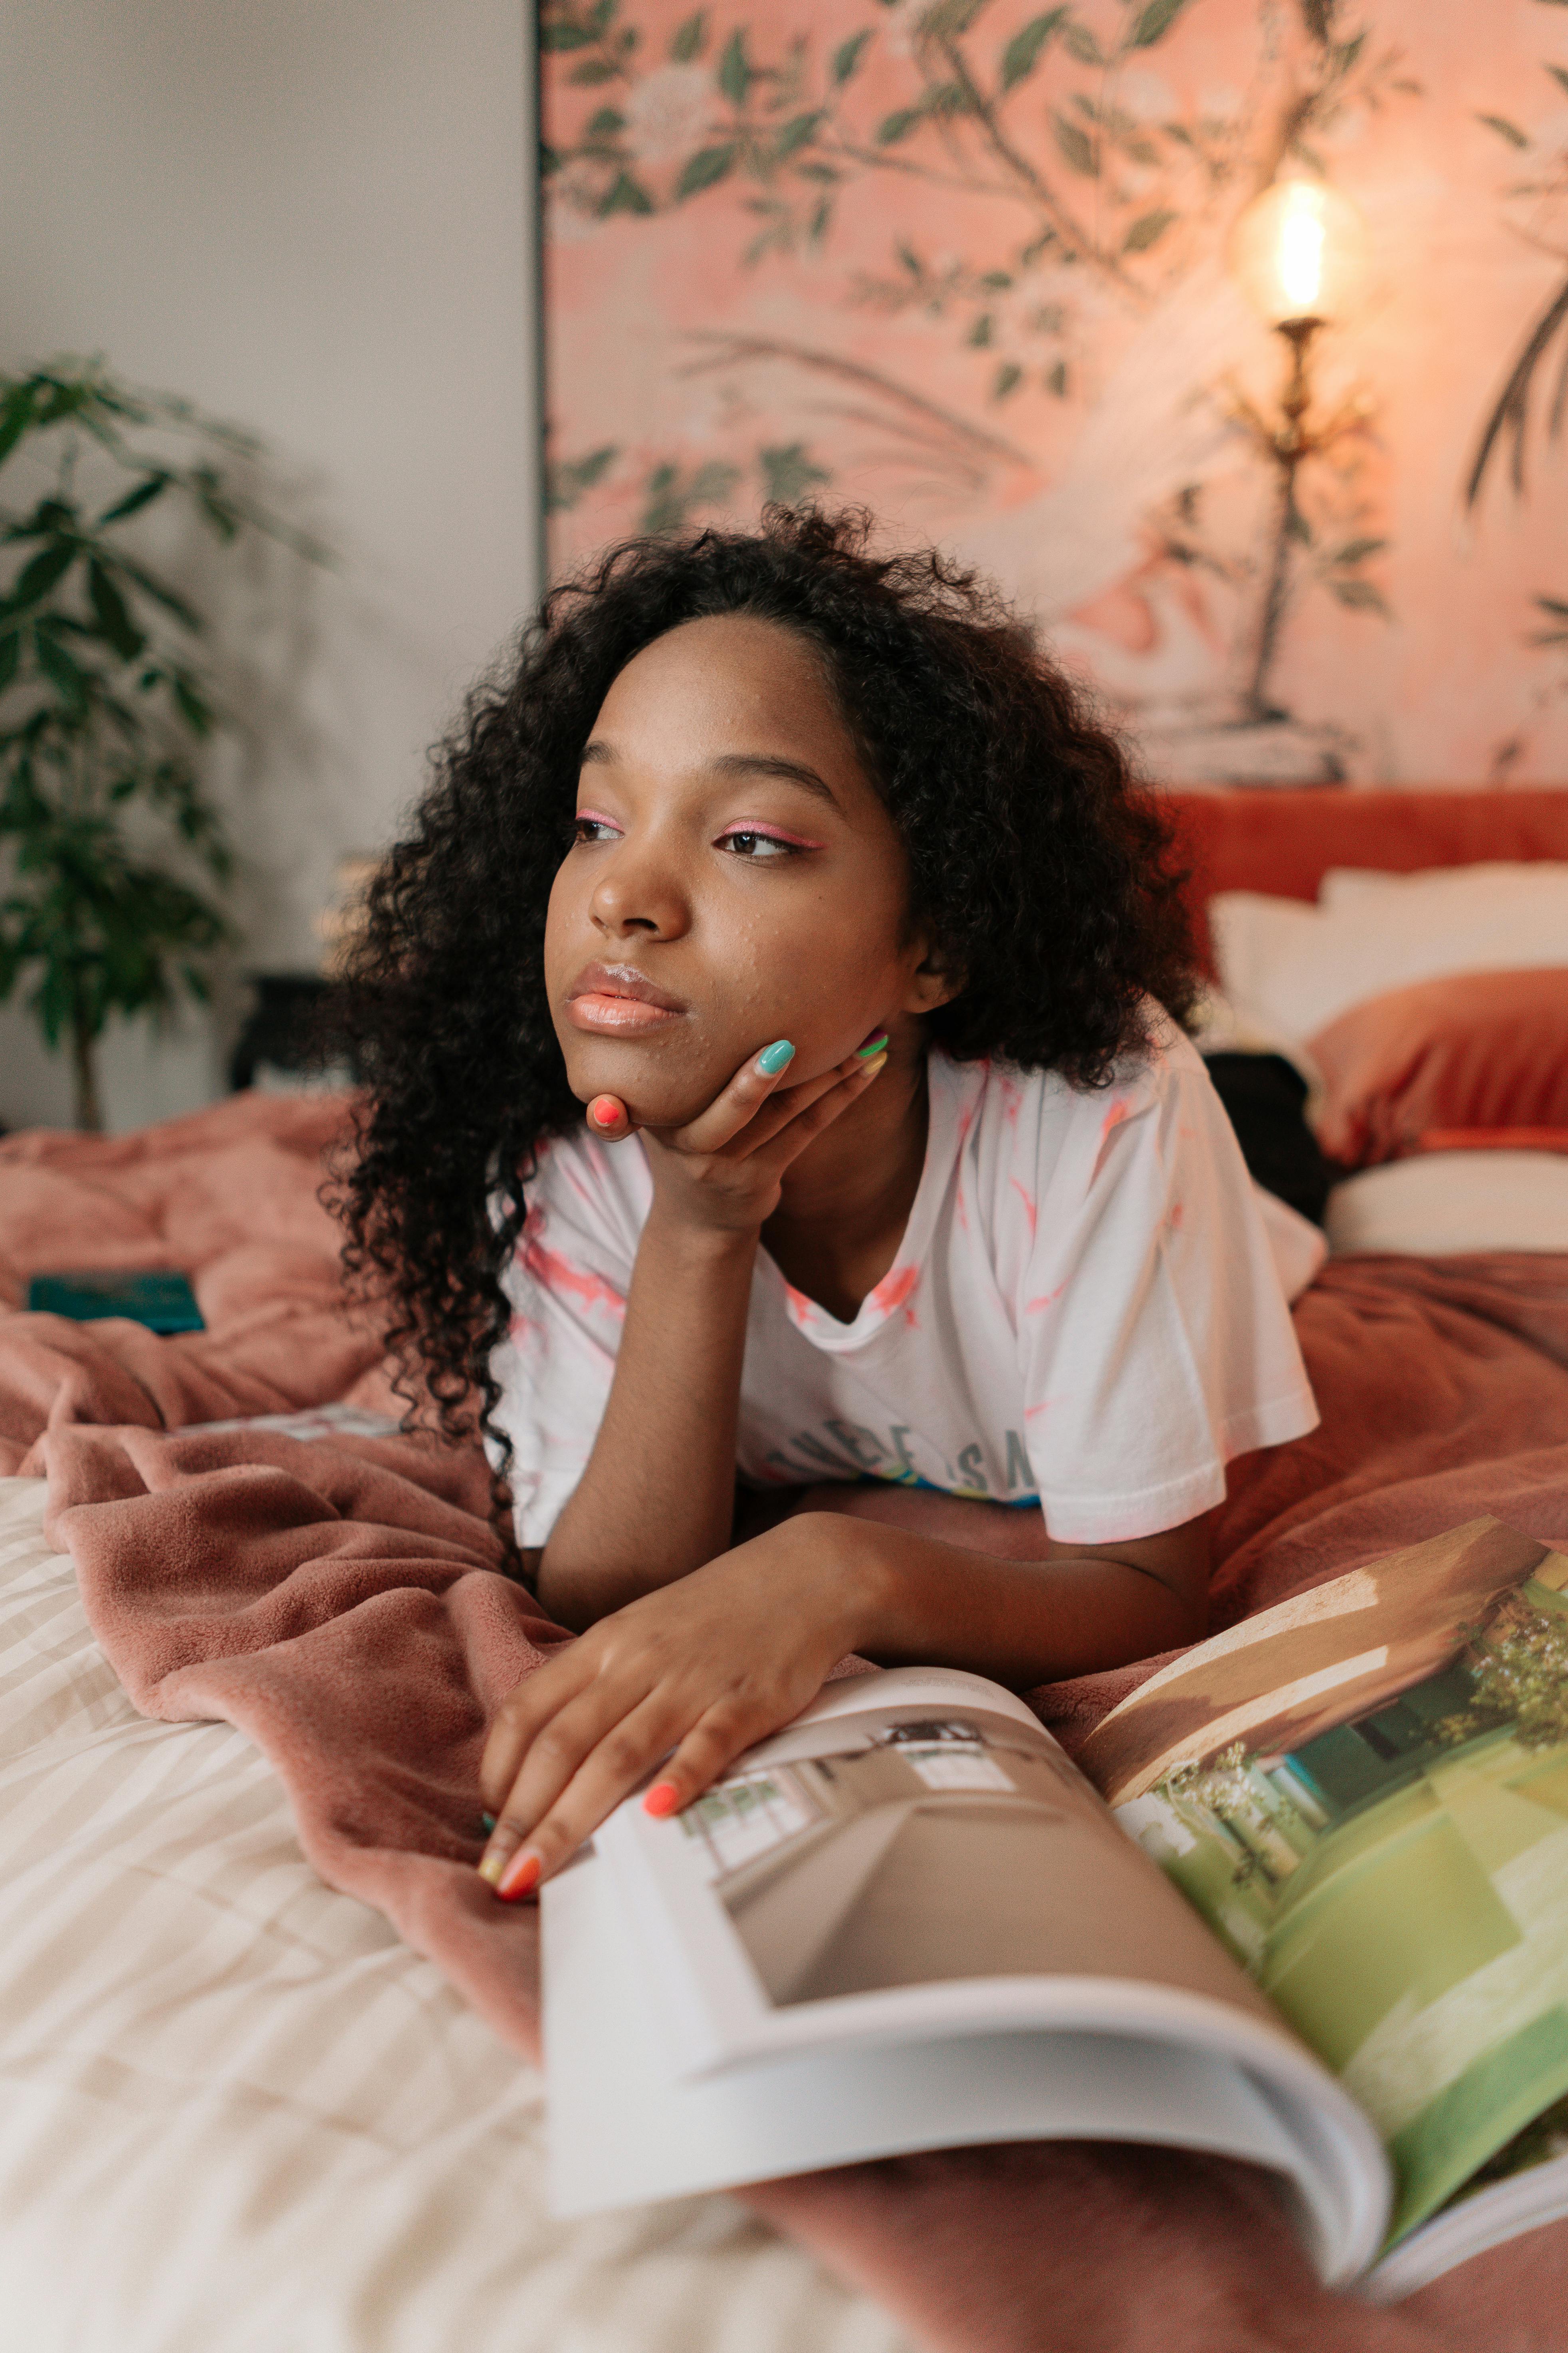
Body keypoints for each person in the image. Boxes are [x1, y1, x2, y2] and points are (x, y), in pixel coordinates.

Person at [339, 507, 1319, 1905]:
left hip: (1242, 1158)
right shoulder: (575, 1141)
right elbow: (602, 1587)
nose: (626, 894)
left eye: (746, 837)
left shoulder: (1100, 1107)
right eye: (596, 822)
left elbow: (1153, 1586)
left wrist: (835, 1571)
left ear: (931, 944)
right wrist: (699, 1223)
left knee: (1275, 1116)